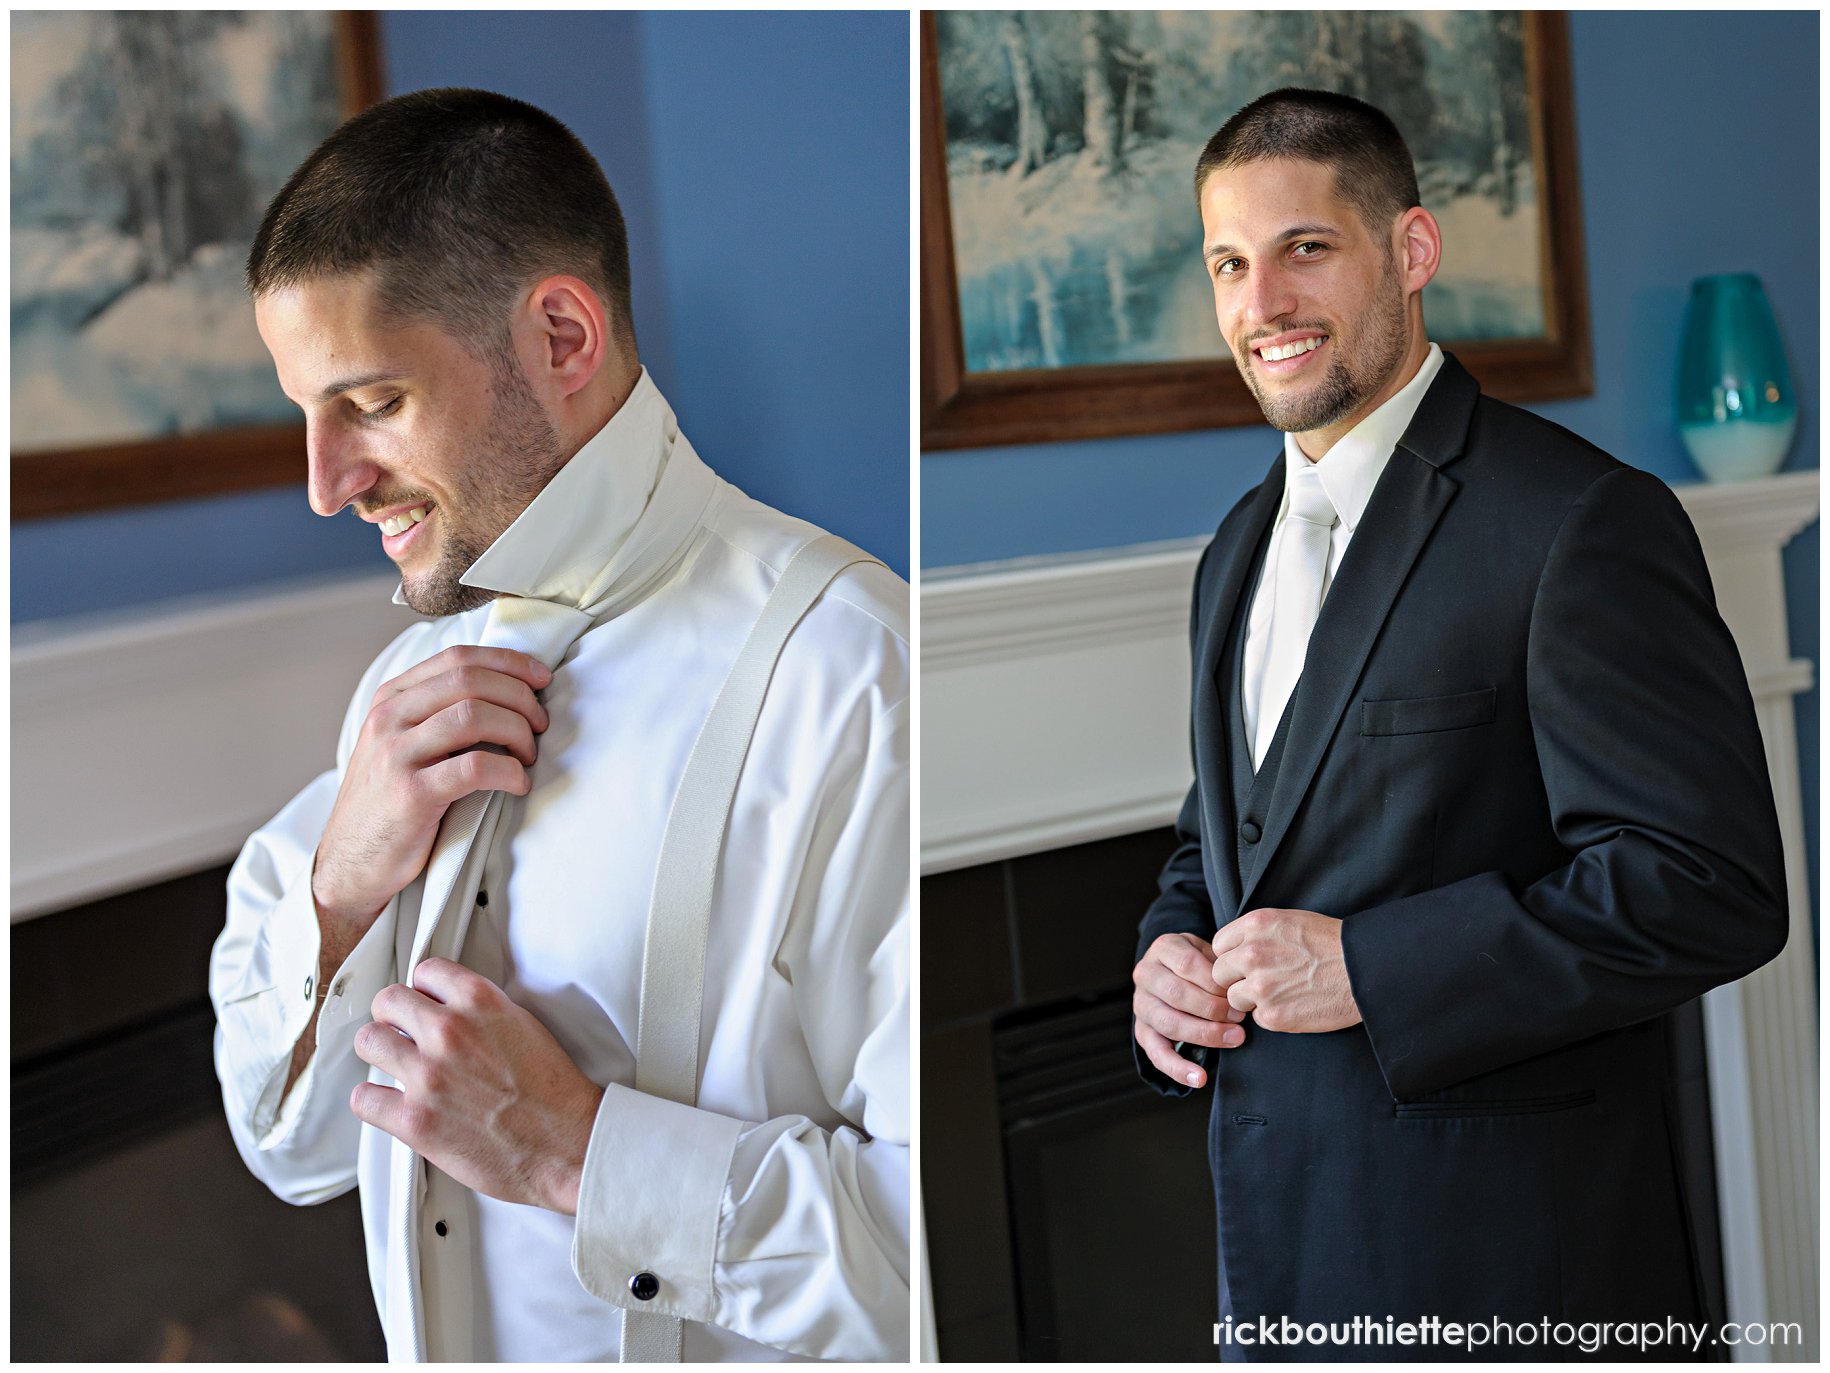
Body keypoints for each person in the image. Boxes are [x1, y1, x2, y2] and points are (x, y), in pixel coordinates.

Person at [209, 88, 909, 1362]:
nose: (324, 486)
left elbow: (935, 1263)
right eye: (303, 413)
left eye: (369, 402)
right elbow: (293, 1148)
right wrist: (341, 886)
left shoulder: (854, 672)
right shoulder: (404, 691)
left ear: (563, 335)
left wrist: (575, 1150)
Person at [1129, 88, 1786, 1361]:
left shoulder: (1581, 522)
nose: (1262, 304)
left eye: (1305, 248)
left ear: (1412, 253)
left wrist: (1370, 966)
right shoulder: (1235, 550)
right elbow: (1221, 840)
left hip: (1514, 1269)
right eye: (1229, 264)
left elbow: (1712, 885)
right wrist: (1169, 952)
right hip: (1283, 1268)